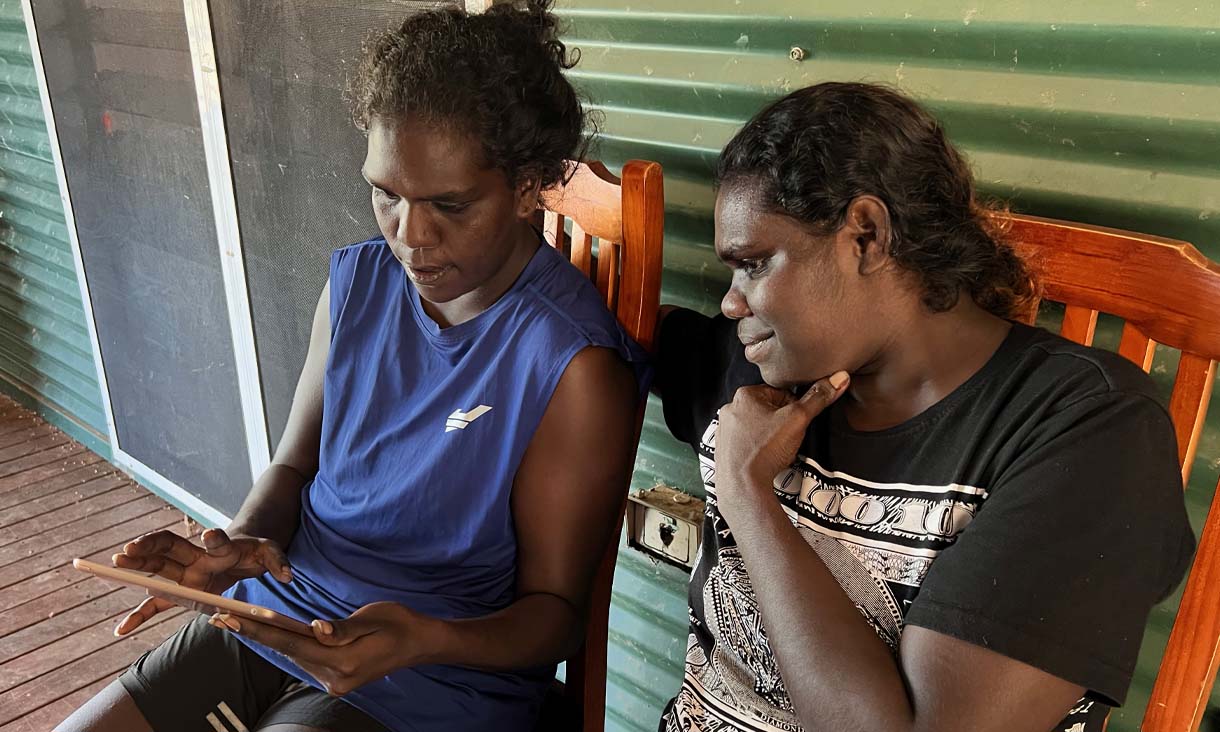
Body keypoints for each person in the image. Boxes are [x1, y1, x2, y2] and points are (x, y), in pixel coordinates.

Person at [57, 3, 647, 731]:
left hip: (430, 677)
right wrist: (243, 545)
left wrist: (427, 636)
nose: (411, 237)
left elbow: (557, 618)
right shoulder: (357, 285)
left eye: (449, 205)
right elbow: (292, 469)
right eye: (386, 194)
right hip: (276, 616)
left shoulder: (569, 364)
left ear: (529, 187)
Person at [653, 82, 1195, 732]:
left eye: (755, 264)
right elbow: (597, 336)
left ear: (866, 235)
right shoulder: (763, 362)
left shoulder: (1089, 432)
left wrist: (747, 492)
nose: (732, 303)